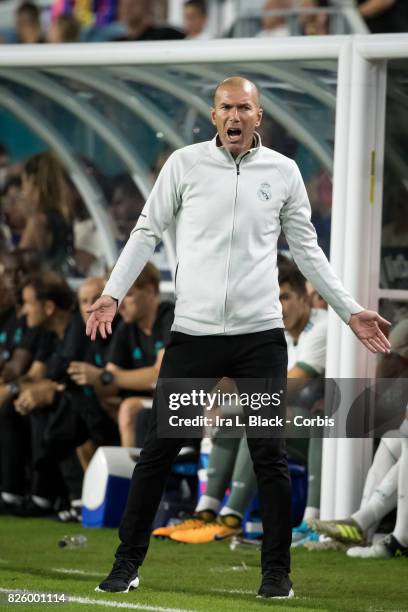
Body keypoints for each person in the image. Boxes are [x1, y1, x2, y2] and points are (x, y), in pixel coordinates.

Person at [86, 76, 391, 600]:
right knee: (157, 449)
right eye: (225, 107)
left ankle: (277, 575)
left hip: (260, 339)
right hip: (194, 335)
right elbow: (145, 231)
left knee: (268, 454)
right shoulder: (183, 164)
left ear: (258, 116)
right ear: (212, 115)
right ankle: (126, 564)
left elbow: (307, 251)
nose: (234, 115)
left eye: (243, 108)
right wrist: (113, 293)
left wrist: (349, 311)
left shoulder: (284, 172)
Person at [18, 152, 74, 272]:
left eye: (23, 182)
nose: (22, 189)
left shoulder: (37, 222)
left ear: (32, 181)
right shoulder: (65, 217)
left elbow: (19, 264)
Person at [112, 0, 185, 42]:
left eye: (133, 4)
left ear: (146, 7)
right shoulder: (116, 42)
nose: (127, 9)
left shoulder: (166, 35)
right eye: (123, 5)